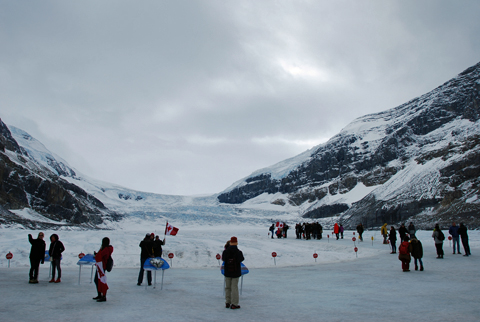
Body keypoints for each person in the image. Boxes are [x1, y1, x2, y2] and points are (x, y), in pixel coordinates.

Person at [222, 236, 245, 310]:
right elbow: (241, 259)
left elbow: (223, 259)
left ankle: (227, 302)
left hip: (227, 271)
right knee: (234, 287)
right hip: (236, 272)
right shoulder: (238, 252)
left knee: (228, 287)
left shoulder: (225, 252)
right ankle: (234, 303)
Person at [93, 237, 114, 302]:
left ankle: (103, 295)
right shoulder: (107, 248)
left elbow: (101, 255)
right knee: (98, 280)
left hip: (102, 266)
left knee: (100, 280)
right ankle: (100, 294)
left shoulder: (105, 249)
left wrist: (96, 255)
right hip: (101, 266)